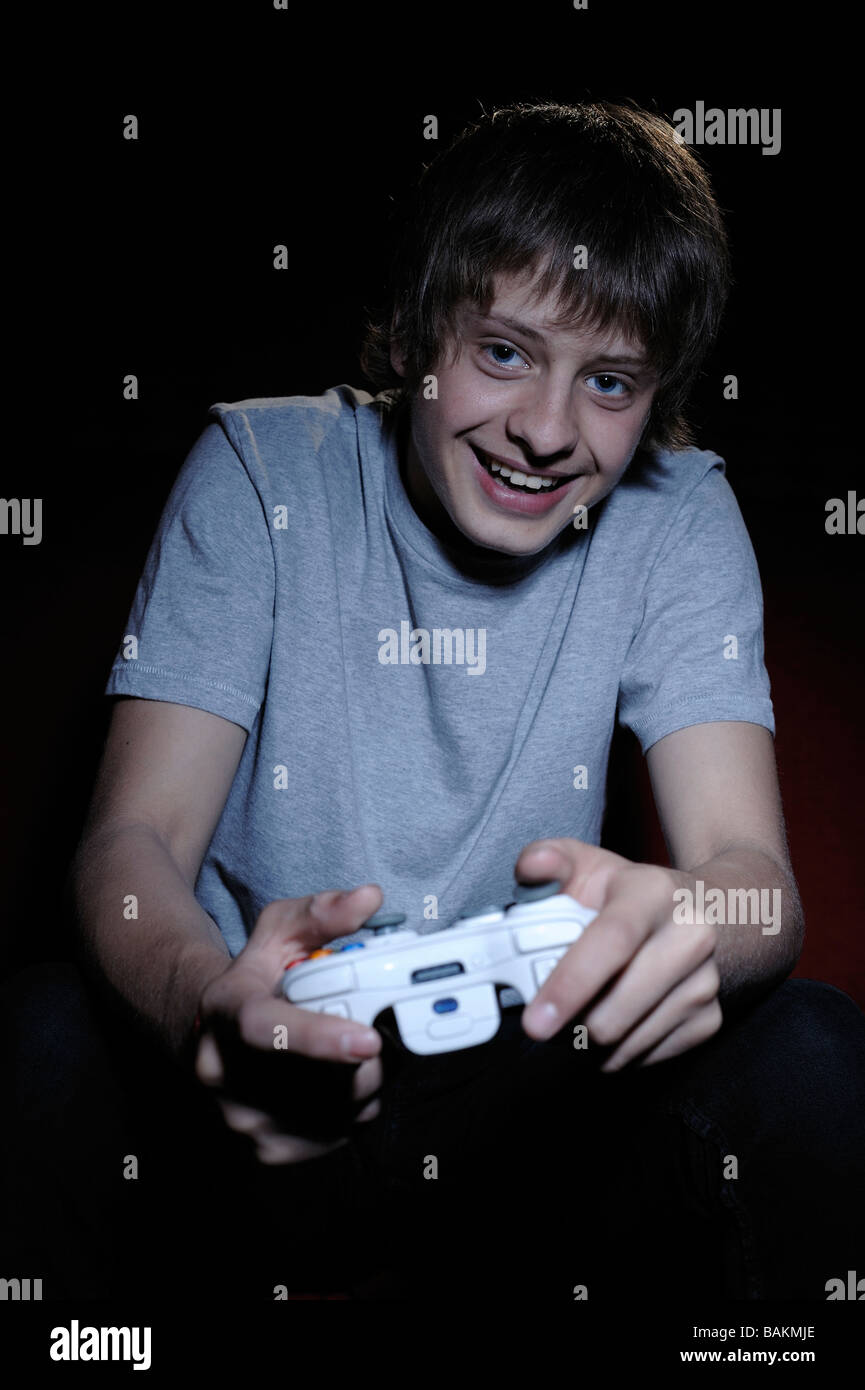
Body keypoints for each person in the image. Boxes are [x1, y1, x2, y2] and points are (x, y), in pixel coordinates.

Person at [8, 100, 864, 1302]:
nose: (543, 432)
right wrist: (209, 1003)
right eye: (503, 352)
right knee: (44, 1036)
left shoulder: (679, 514)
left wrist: (690, 925)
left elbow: (750, 878)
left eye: (609, 381)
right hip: (265, 1060)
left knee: (814, 1054)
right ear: (416, 331)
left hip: (537, 1087)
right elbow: (128, 845)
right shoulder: (263, 469)